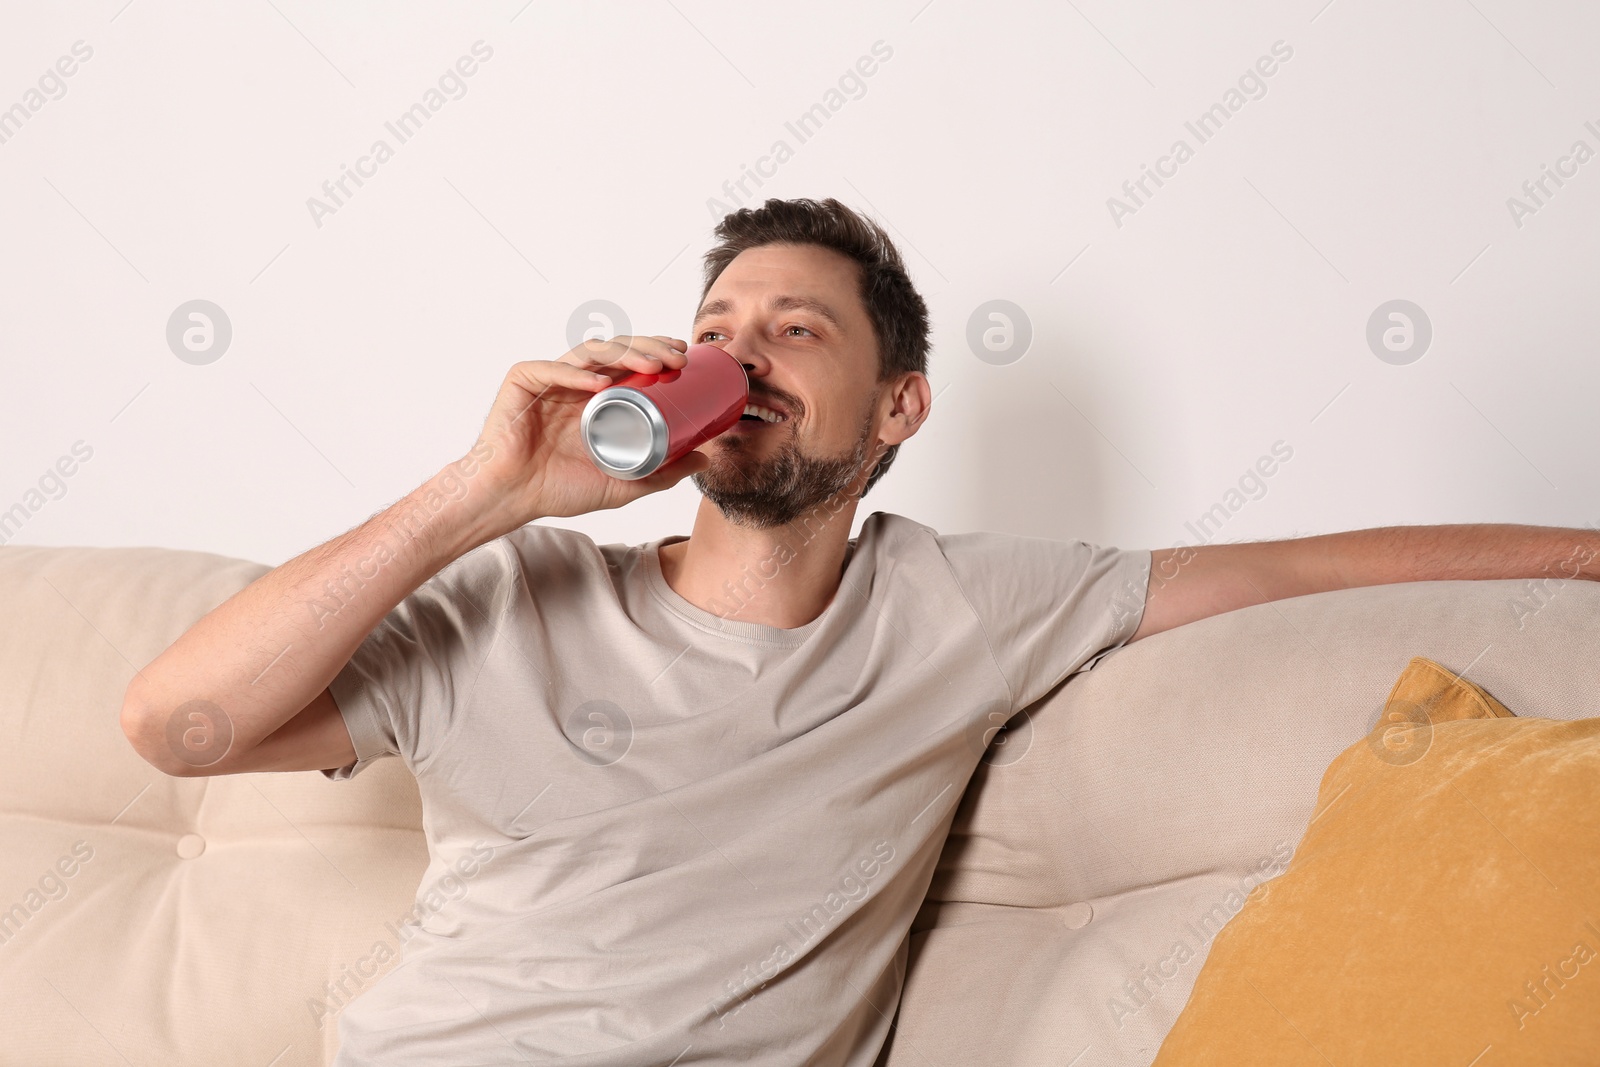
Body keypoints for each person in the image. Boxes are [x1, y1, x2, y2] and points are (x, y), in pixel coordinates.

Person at [120, 197, 1599, 1066]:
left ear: (898, 408)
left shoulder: (968, 605)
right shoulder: (516, 594)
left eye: (794, 331)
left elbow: (1289, 576)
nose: (738, 357)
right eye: (717, 328)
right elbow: (179, 726)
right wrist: (485, 490)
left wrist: (1584, 552)